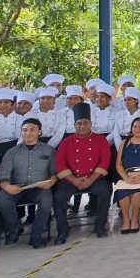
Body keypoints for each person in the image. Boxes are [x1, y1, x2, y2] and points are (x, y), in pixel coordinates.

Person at [53, 103, 113, 242]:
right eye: (79, 123)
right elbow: (59, 164)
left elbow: (105, 161)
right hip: (71, 179)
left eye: (85, 123)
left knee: (105, 191)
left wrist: (91, 179)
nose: (82, 126)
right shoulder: (66, 142)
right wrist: (73, 180)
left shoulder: (101, 140)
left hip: (94, 178)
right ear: (74, 125)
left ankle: (100, 225)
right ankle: (62, 230)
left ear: (91, 124)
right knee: (59, 196)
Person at [0, 118, 58, 248]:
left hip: (40, 188)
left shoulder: (49, 150)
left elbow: (54, 172)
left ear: (39, 132)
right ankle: (15, 228)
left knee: (46, 201)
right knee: (1, 198)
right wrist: (7, 186)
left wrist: (51, 182)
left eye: (32, 130)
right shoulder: (12, 152)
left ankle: (36, 235)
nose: (27, 133)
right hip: (17, 188)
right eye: (24, 130)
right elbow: (3, 175)